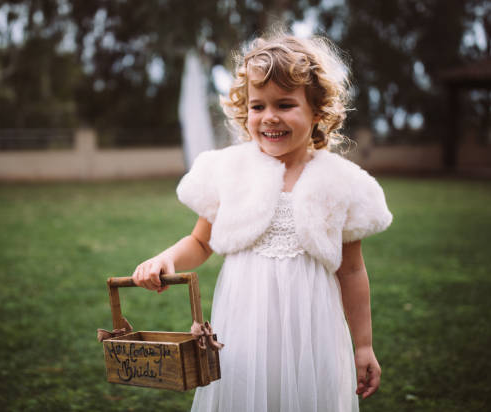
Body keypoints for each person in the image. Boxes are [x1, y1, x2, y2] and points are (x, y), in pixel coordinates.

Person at [132, 29, 392, 412]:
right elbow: (202, 242)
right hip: (243, 324)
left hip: (312, 329)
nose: (269, 117)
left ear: (317, 111)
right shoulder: (230, 171)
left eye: (285, 104)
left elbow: (351, 271)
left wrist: (364, 345)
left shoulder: (339, 182)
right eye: (258, 106)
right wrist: (167, 259)